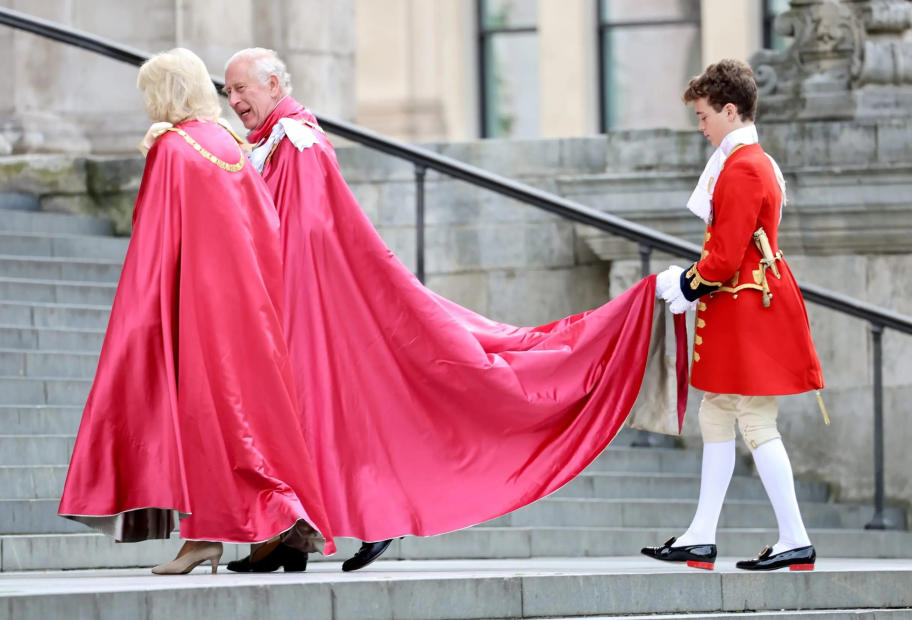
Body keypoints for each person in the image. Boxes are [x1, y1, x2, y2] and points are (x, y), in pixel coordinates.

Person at [221, 47, 687, 574]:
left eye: (243, 88)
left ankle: (370, 518)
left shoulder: (298, 142)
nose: (235, 99)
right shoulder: (278, 142)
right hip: (311, 300)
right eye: (229, 91)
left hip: (316, 303)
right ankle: (293, 536)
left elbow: (306, 233)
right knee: (312, 415)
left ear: (276, 86)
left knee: (358, 409)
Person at [58, 48, 334, 575]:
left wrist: (142, 319)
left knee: (197, 423)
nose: (146, 105)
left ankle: (208, 538)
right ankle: (270, 531)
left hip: (192, 310)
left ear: (166, 93)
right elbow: (264, 229)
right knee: (240, 421)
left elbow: (153, 237)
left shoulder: (171, 145)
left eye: (149, 93)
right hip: (246, 313)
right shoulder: (230, 142)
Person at [642, 59, 824, 572]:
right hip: (742, 310)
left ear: (728, 110)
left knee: (754, 419)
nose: (700, 126)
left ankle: (794, 537)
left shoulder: (744, 168)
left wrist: (686, 285)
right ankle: (701, 534)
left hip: (748, 313)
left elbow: (723, 257)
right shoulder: (748, 162)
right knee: (716, 412)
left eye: (704, 116)